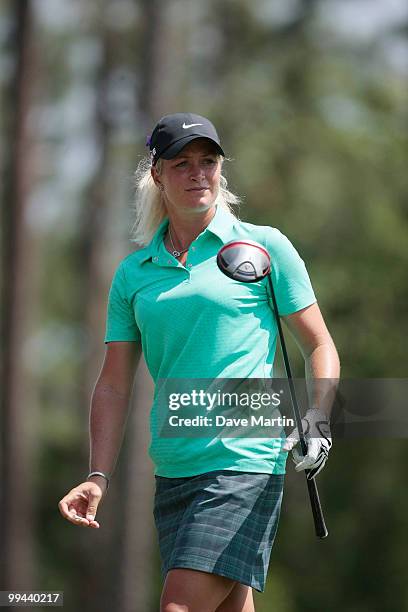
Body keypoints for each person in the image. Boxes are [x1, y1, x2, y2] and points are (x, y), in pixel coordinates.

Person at [58, 113, 340, 612]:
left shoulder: (264, 247)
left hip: (245, 460)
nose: (198, 174)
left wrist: (317, 418)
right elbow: (114, 383)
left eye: (208, 162)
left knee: (179, 606)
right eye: (181, 163)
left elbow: (319, 344)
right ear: (157, 175)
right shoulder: (134, 274)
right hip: (175, 468)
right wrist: (98, 474)